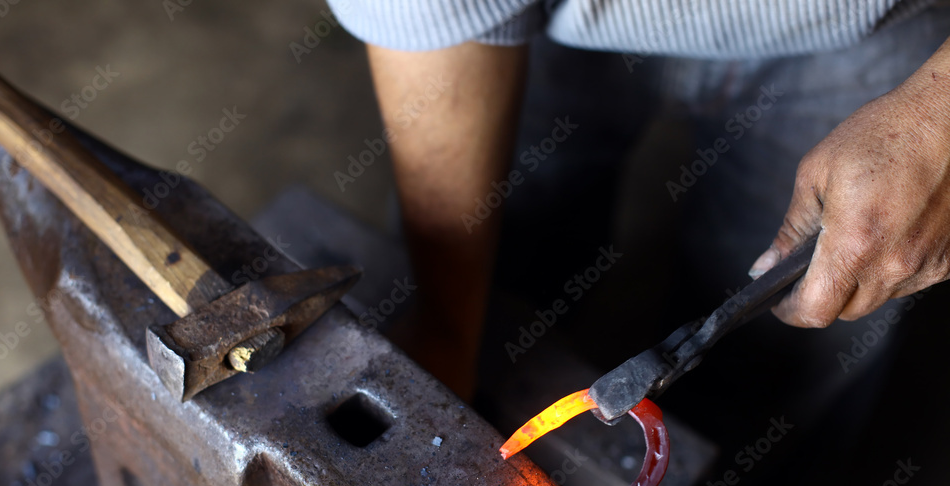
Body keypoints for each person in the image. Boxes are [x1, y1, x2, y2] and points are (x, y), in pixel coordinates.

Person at [325, 0, 950, 404]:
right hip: (528, 21)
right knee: (496, 278)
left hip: (893, 39)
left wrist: (939, 119)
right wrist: (445, 327)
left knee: (782, 374)